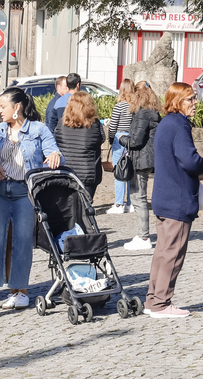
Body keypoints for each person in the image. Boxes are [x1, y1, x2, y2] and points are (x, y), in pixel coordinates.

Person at [0, 87, 63, 310]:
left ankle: (21, 291)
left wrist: (55, 154)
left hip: (24, 190)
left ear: (16, 107)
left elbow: (53, 150)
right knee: (0, 241)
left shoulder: (38, 129)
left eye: (3, 106)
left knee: (21, 241)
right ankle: (10, 288)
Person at [146, 83, 203, 319]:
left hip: (164, 197)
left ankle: (153, 299)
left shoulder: (165, 123)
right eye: (190, 99)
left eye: (195, 98)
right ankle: (162, 303)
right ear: (177, 102)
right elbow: (190, 160)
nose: (195, 103)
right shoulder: (179, 124)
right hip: (177, 199)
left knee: (162, 252)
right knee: (173, 254)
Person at [120, 81, 162, 251]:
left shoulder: (142, 114)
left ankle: (143, 236)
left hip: (140, 160)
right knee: (141, 198)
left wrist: (121, 138)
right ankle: (143, 235)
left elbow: (136, 141)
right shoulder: (154, 113)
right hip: (149, 158)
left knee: (138, 198)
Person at [52, 92, 104, 199]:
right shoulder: (95, 124)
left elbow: (56, 140)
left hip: (66, 172)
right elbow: (101, 139)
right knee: (86, 208)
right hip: (88, 174)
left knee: (68, 208)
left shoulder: (61, 124)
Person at [106, 79, 135, 215]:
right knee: (129, 171)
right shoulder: (135, 106)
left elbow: (112, 127)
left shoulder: (119, 106)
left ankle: (118, 204)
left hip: (120, 137)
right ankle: (130, 203)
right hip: (132, 139)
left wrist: (111, 139)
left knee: (119, 171)